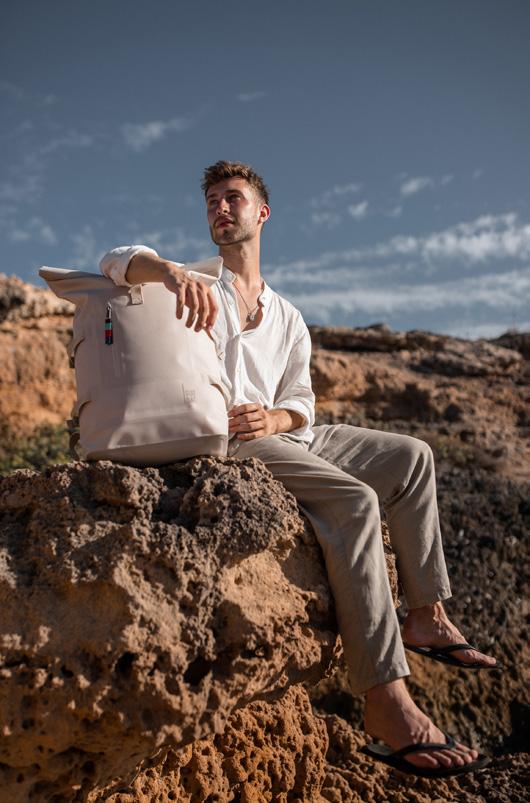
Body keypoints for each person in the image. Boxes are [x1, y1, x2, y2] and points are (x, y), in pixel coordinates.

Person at [99, 159, 500, 779]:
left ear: (261, 213)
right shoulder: (190, 282)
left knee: (412, 457)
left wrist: (277, 418)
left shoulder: (287, 315)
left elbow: (302, 404)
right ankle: (386, 700)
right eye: (211, 200)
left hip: (287, 433)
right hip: (229, 442)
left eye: (233, 198)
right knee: (356, 502)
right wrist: (170, 273)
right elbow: (114, 260)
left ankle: (426, 616)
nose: (219, 208)